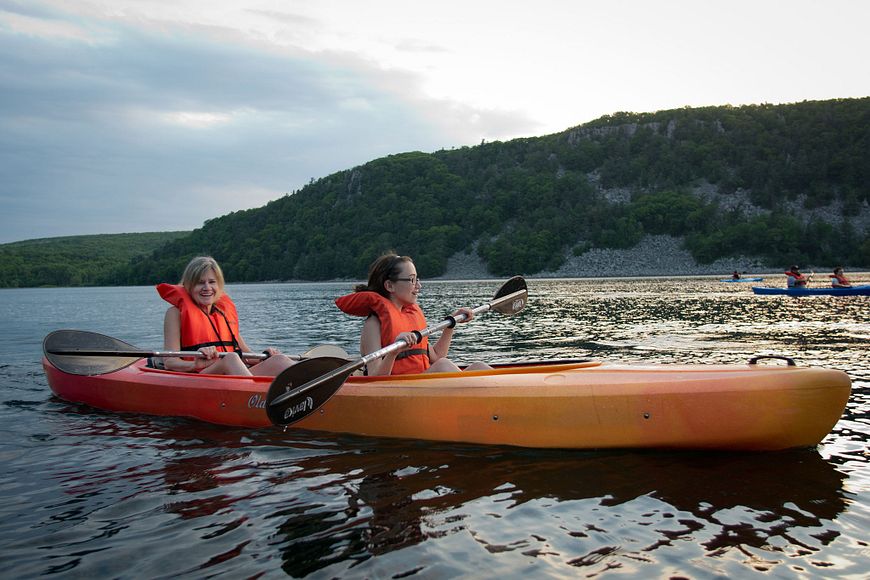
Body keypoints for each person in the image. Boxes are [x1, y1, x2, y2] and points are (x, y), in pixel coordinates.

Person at [335, 253, 492, 376]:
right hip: (399, 391)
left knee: (479, 366)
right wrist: (393, 352)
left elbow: (436, 356)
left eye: (417, 279)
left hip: (420, 385)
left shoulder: (410, 319)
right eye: (412, 280)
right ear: (389, 285)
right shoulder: (373, 325)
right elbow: (375, 376)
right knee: (443, 366)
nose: (418, 286)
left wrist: (451, 323)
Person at [158, 256, 296, 375]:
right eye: (200, 283)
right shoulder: (174, 313)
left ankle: (312, 392)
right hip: (200, 376)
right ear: (188, 286)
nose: (207, 288)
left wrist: (266, 356)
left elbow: (246, 355)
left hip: (232, 376)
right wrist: (195, 364)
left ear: (219, 285)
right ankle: (252, 398)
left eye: (212, 282)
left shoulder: (223, 314)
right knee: (230, 359)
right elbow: (170, 362)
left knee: (279, 360)